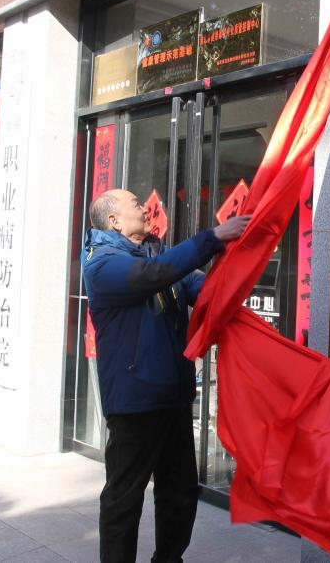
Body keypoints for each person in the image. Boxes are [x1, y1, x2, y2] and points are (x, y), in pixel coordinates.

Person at [81, 189, 249, 563]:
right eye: (134, 204)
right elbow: (152, 276)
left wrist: (240, 263)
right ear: (114, 221)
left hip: (174, 397)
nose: (144, 207)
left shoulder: (157, 257)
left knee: (180, 493)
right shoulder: (101, 264)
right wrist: (211, 238)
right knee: (124, 499)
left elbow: (202, 290)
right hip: (135, 402)